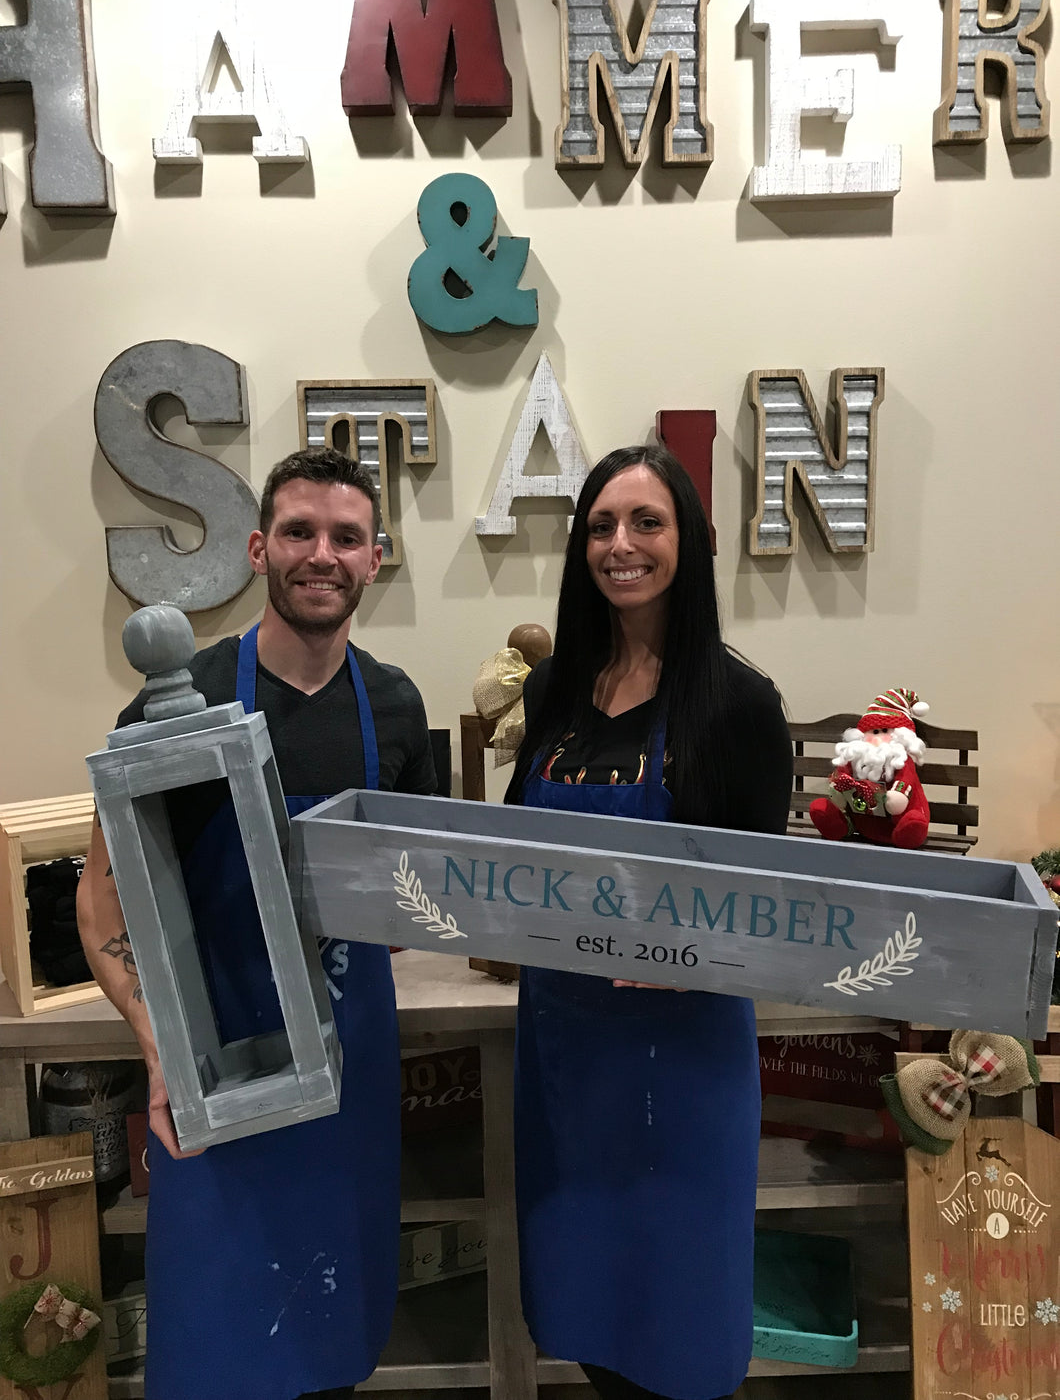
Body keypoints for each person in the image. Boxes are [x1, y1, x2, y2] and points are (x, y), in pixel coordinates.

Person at [77, 449, 437, 1400]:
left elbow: (411, 895)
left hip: (348, 1074)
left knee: (330, 1341)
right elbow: (101, 900)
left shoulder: (396, 705)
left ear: (374, 558)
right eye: (298, 531)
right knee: (219, 1348)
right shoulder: (178, 698)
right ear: (256, 548)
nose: (322, 554)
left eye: (346, 537)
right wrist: (161, 1047)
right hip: (212, 1078)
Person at [505, 445, 793, 1400]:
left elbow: (773, 909)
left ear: (689, 542)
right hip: (567, 1060)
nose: (620, 545)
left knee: (680, 1333)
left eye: (646, 522)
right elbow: (513, 847)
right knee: (589, 1319)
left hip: (682, 1061)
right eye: (601, 526)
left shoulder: (739, 705)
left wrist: (691, 952)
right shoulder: (553, 690)